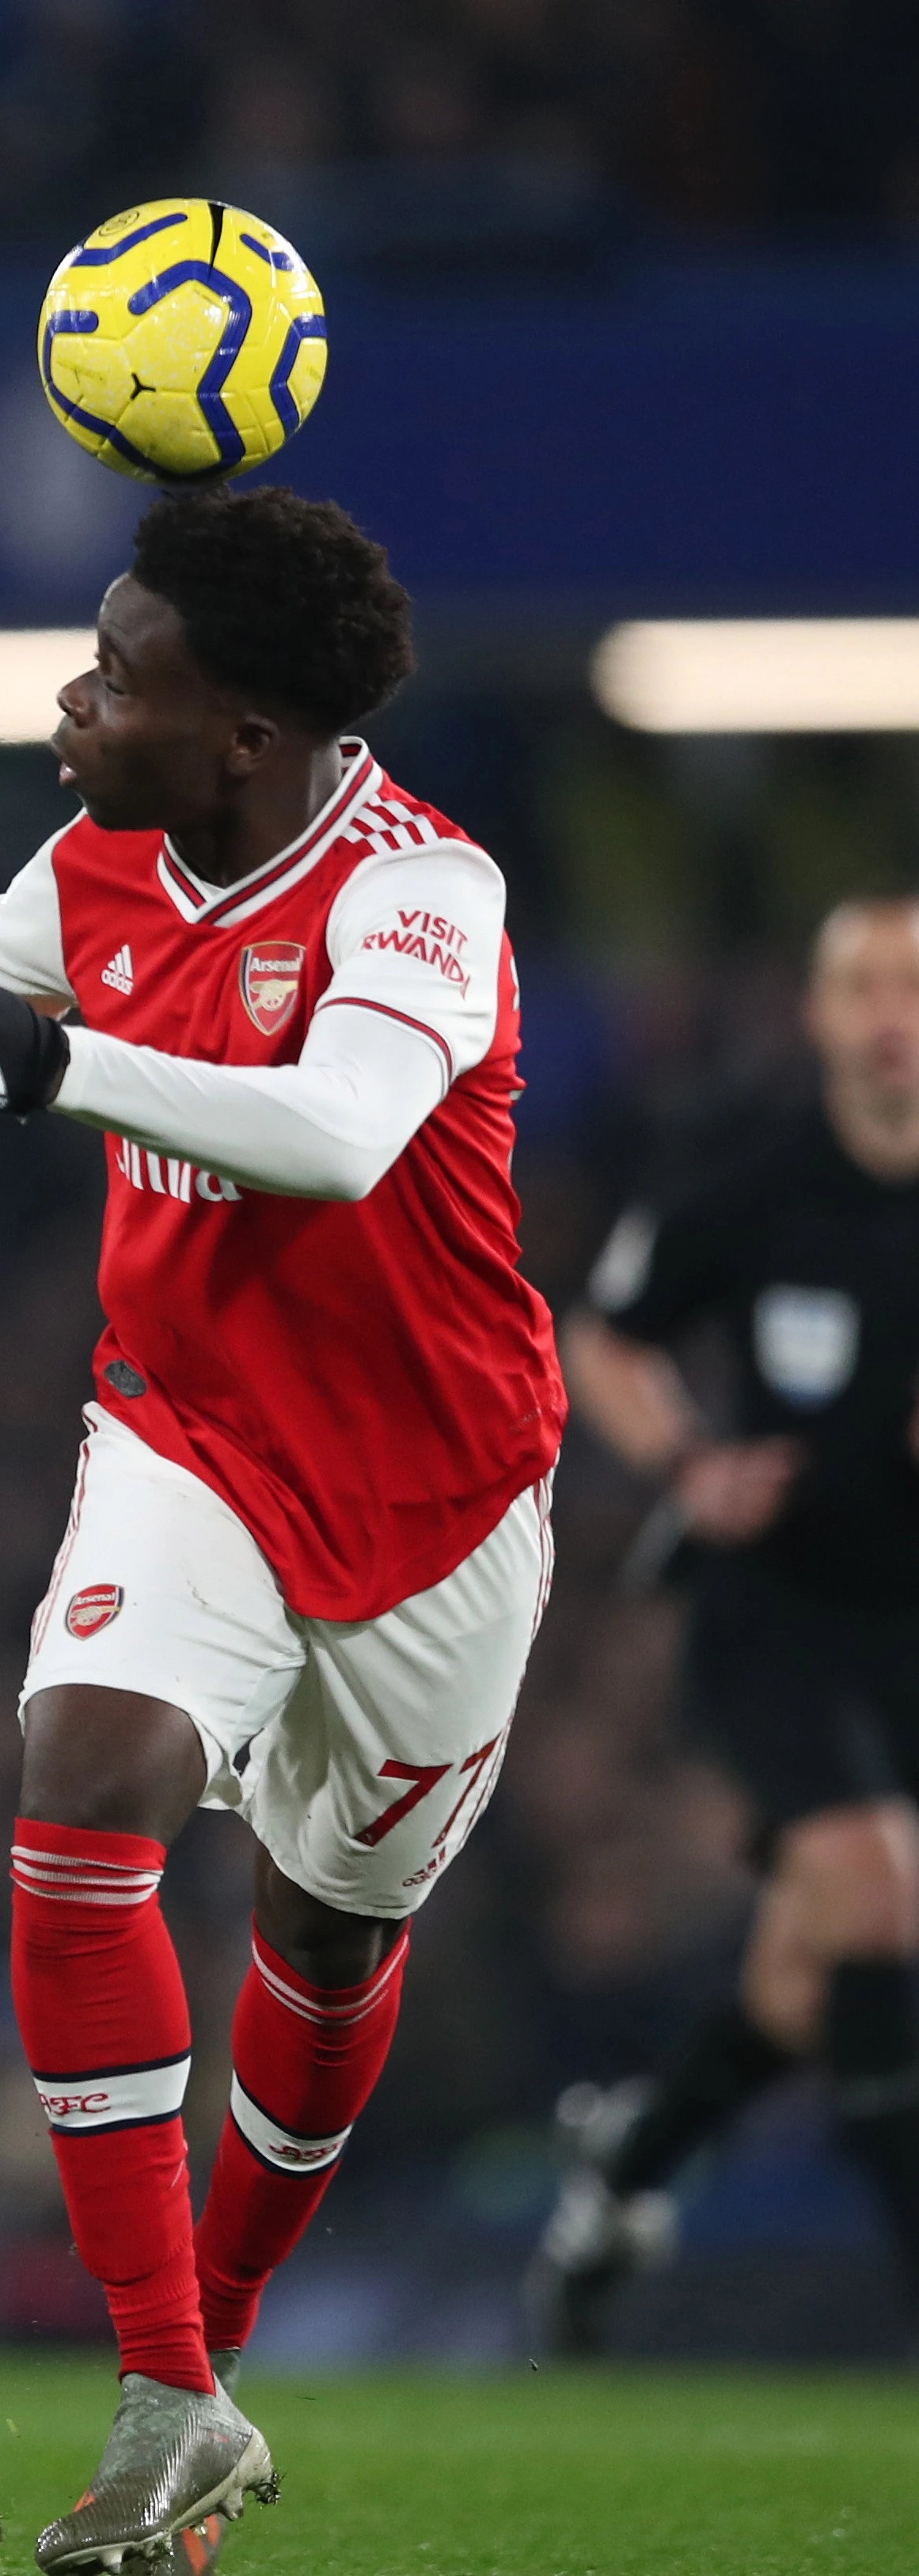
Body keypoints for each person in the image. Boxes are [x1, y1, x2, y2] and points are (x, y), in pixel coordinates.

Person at [0, 485, 564, 2571]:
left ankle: (201, 2388)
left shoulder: (422, 890)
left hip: (438, 1504)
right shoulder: (96, 866)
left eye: (118, 671)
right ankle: (165, 2377)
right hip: (184, 1436)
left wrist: (56, 1061)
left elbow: (338, 1130)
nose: (73, 696)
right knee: (83, 1790)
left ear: (240, 727)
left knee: (332, 1942)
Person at [526, 896, 919, 2354]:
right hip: (777, 1607)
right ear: (817, 1015)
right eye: (863, 984)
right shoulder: (754, 1170)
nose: (891, 1012)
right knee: (877, 1898)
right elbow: (609, 1329)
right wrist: (692, 1460)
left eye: (912, 985)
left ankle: (629, 2155)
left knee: (806, 1975)